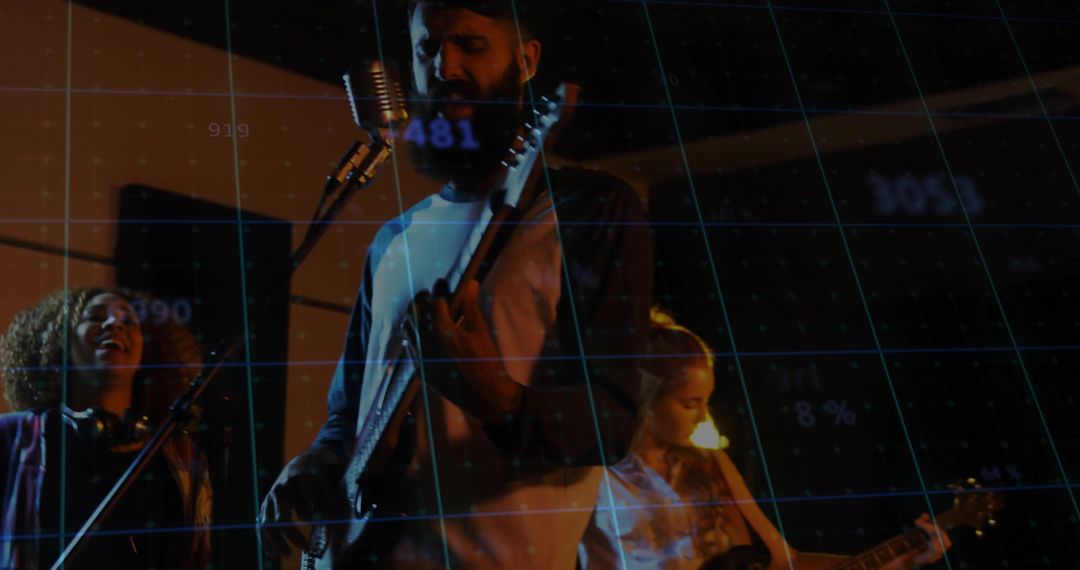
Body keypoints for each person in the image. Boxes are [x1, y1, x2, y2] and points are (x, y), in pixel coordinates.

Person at [260, 0, 652, 568]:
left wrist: (496, 399)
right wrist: (316, 461)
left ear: (525, 60)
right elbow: (348, 415)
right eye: (428, 50)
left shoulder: (590, 210)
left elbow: (612, 422)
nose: (444, 68)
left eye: (471, 46)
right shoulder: (391, 239)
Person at [581, 309, 952, 570]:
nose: (704, 417)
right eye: (690, 404)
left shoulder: (712, 466)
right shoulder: (591, 477)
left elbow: (784, 561)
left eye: (707, 402)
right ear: (646, 397)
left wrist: (897, 560)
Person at [0, 288, 212, 569]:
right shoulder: (12, 436)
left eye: (129, 322)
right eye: (96, 317)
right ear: (59, 341)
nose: (114, 324)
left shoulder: (184, 457)